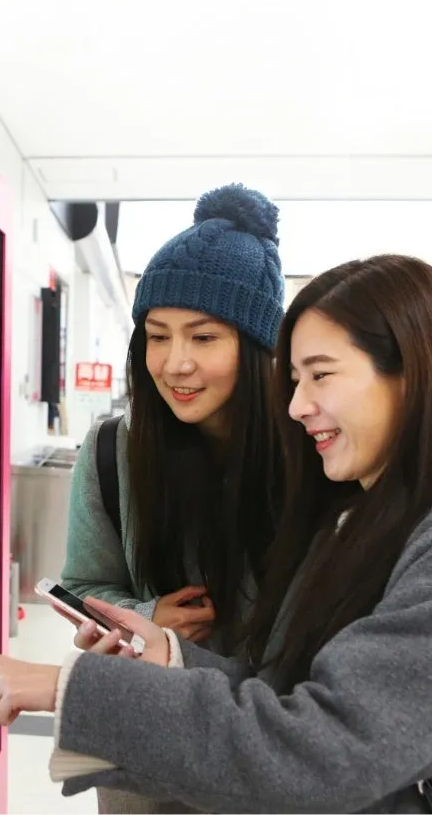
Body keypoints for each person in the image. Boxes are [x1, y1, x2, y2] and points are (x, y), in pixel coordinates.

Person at [0, 254, 432, 813]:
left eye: (320, 375)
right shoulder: (365, 511)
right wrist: (169, 655)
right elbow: (289, 693)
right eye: (294, 379)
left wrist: (61, 686)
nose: (297, 404)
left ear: (409, 375)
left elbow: (322, 749)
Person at [57, 183, 286, 812]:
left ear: (257, 346)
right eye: (158, 336)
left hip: (268, 751)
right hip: (144, 760)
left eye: (203, 338)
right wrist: (146, 615)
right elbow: (83, 587)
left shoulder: (310, 457)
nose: (174, 363)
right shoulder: (113, 450)